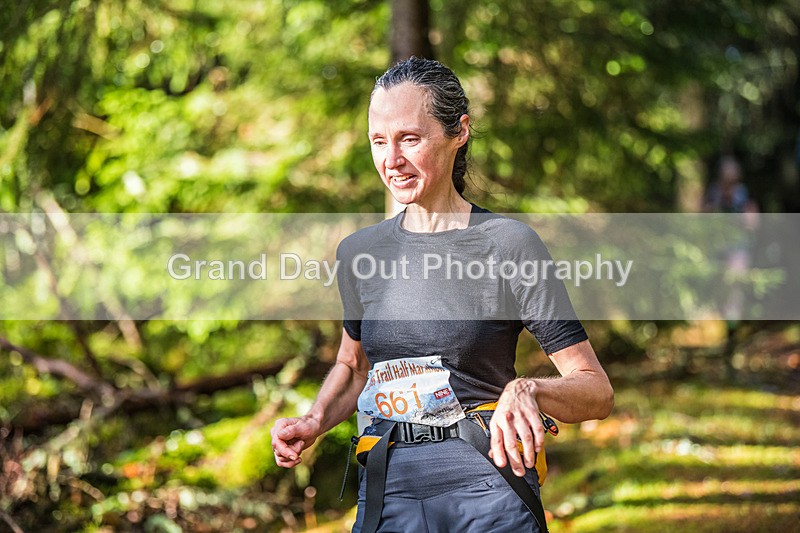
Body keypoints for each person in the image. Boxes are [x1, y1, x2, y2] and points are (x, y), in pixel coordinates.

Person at [271, 57, 614, 533]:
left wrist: (529, 389)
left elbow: (596, 391)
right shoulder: (359, 253)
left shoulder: (508, 244)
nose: (391, 160)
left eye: (409, 138)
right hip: (387, 495)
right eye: (378, 141)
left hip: (489, 492)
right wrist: (313, 420)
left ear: (460, 133)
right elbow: (354, 367)